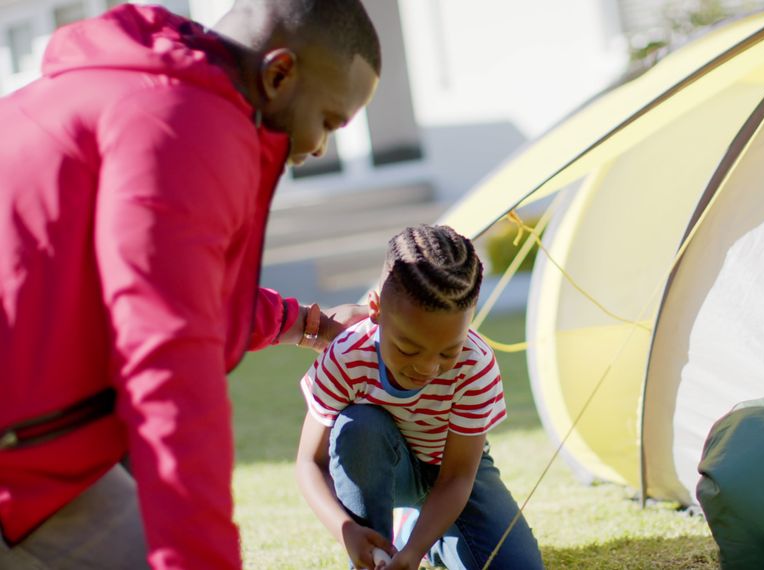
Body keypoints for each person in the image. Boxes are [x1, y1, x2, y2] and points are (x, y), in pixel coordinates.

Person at [0, 1, 381, 568]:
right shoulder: (186, 122)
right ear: (279, 74)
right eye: (328, 120)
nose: (321, 146)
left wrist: (308, 324)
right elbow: (169, 362)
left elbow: (173, 283)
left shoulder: (146, 87)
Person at [296, 225, 544, 570]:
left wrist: (413, 550)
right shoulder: (348, 354)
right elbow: (309, 462)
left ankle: (422, 535)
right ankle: (377, 553)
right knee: (359, 426)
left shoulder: (475, 364)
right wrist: (347, 530)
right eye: (408, 348)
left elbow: (457, 477)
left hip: (451, 474)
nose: (427, 368)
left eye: (447, 352)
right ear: (376, 309)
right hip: (384, 467)